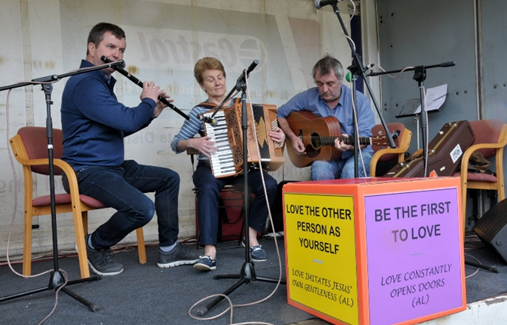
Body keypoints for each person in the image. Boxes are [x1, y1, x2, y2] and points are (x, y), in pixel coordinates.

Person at [61, 22, 198, 276]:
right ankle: (93, 244)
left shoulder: (100, 82)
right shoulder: (85, 83)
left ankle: (169, 250)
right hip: (85, 171)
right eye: (111, 47)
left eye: (121, 50)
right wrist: (147, 100)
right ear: (92, 48)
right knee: (142, 209)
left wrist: (151, 113)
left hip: (111, 168)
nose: (117, 55)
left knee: (168, 179)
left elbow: (120, 128)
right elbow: (126, 119)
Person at [171, 57, 284, 271]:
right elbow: (175, 144)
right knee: (207, 187)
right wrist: (192, 141)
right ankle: (209, 253)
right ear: (202, 85)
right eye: (210, 79)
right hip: (211, 168)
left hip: (241, 169)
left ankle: (250, 237)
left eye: (220, 77)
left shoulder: (244, 107)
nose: (217, 83)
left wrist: (279, 136)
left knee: (269, 185)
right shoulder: (199, 112)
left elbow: (268, 134)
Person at [277, 54, 375, 180]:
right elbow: (280, 113)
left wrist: (350, 145)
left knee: (350, 171)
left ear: (340, 81)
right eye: (320, 83)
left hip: (357, 153)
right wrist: (293, 137)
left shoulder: (359, 100)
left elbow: (365, 138)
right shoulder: (309, 97)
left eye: (330, 84)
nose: (324, 89)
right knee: (319, 170)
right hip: (328, 157)